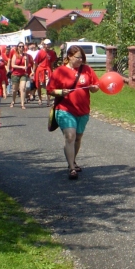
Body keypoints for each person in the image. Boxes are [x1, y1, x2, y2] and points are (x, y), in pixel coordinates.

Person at [50, 45, 99, 180]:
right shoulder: (60, 71)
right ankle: (72, 168)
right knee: (70, 136)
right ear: (70, 57)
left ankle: (72, 160)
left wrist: (95, 88)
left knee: (78, 137)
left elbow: (95, 87)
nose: (80, 60)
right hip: (65, 109)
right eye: (78, 57)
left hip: (82, 110)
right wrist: (60, 91)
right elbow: (50, 90)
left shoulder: (87, 70)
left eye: (82, 57)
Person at [33, 39, 57, 106]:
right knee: (39, 86)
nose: (48, 45)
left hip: (48, 70)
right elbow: (36, 62)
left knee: (48, 86)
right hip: (40, 70)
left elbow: (52, 62)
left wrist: (52, 70)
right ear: (44, 45)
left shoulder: (52, 53)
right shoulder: (40, 52)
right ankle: (40, 99)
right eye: (47, 44)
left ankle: (48, 100)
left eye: (49, 44)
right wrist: (33, 71)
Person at [9, 42, 30, 109]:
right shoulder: (15, 55)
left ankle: (22, 104)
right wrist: (21, 67)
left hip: (23, 74)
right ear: (17, 47)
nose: (21, 48)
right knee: (15, 90)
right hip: (15, 74)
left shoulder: (25, 55)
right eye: (20, 46)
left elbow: (28, 65)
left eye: (22, 46)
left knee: (23, 88)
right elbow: (12, 65)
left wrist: (26, 60)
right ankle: (13, 101)